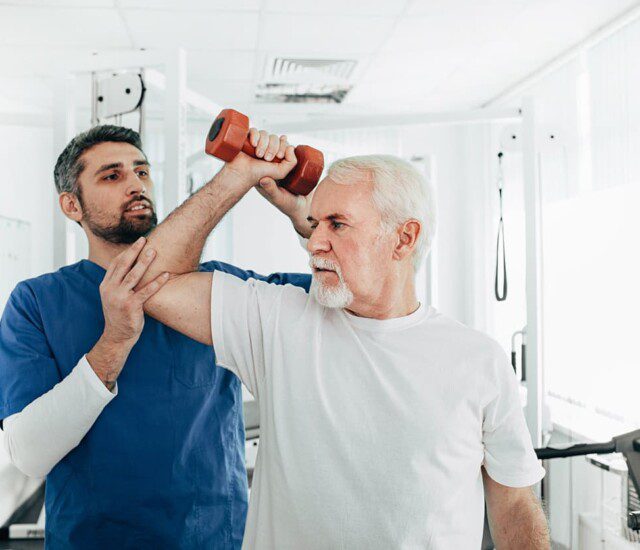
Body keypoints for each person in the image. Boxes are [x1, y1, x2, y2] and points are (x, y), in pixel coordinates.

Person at [126, 152, 551, 549]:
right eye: (313, 224)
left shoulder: (477, 359)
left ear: (403, 239)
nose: (313, 243)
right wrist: (239, 175)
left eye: (337, 224)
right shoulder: (278, 320)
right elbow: (147, 280)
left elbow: (513, 503)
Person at [0, 124, 311, 548]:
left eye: (141, 172)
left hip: (216, 540)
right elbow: (30, 454)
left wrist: (305, 218)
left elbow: (346, 303)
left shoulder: (218, 288)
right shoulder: (36, 301)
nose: (135, 184)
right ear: (71, 205)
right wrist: (114, 342)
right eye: (112, 175)